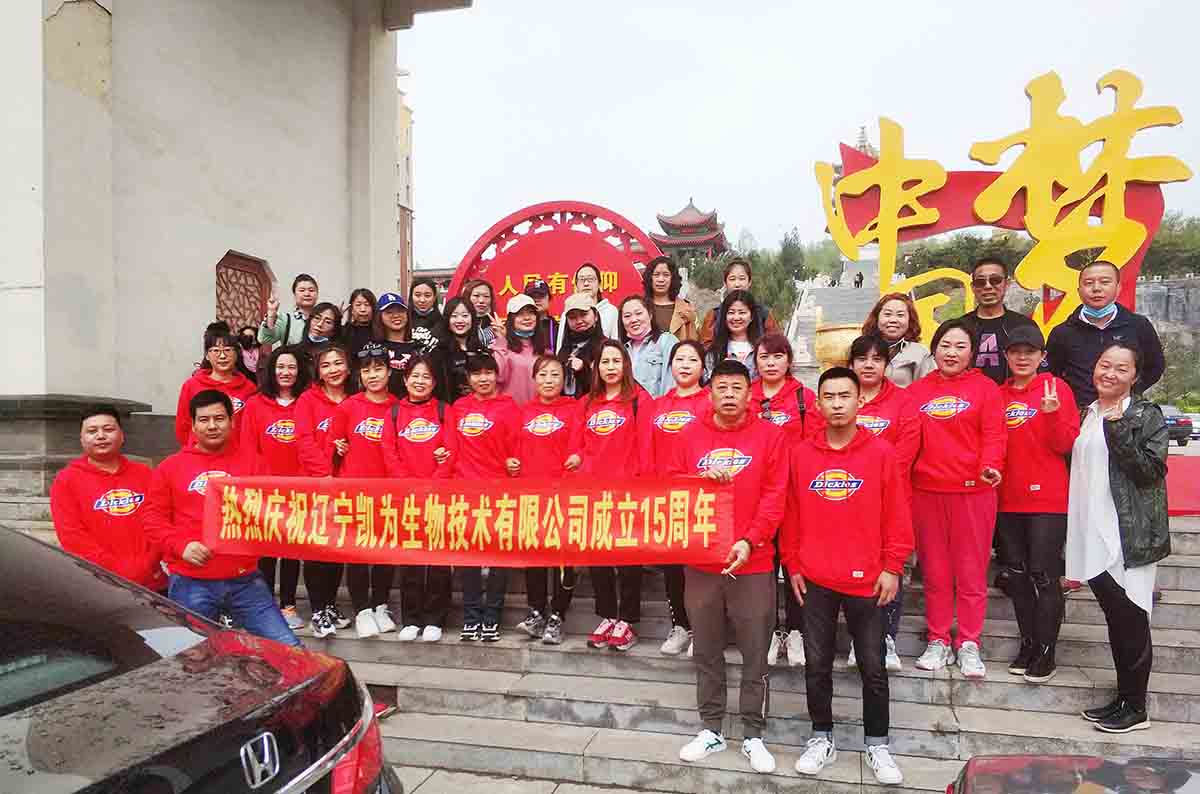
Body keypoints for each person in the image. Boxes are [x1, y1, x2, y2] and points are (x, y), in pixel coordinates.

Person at [783, 367, 912, 785]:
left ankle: (878, 744)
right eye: (829, 397)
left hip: (868, 580)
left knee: (873, 667)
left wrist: (893, 566)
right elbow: (790, 514)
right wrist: (793, 563)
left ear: (860, 401)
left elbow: (897, 514)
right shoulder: (801, 454)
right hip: (816, 578)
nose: (837, 404)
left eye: (844, 396)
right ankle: (821, 737)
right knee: (816, 665)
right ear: (818, 403)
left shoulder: (881, 453)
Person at [672, 359, 786, 776]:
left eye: (737, 387)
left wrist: (750, 539)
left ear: (749, 393)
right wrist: (698, 479)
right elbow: (670, 487)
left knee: (755, 651)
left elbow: (775, 496)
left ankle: (753, 733)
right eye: (721, 387)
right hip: (702, 563)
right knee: (706, 648)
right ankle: (711, 728)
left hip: (752, 562)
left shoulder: (771, 437)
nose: (729, 395)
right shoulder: (689, 436)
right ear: (710, 393)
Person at [1067, 342, 1169, 733]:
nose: (1109, 373)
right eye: (1104, 365)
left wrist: (1119, 429)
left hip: (1127, 535)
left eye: (1121, 368)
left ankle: (1136, 707)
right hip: (1093, 532)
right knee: (1116, 618)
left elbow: (1150, 471)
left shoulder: (1144, 414)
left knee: (1132, 617)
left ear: (1135, 376)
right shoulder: (1089, 413)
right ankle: (1124, 698)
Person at [145, 389, 300, 646]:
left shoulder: (255, 464)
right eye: (204, 420)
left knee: (290, 650)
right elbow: (153, 519)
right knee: (194, 658)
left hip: (245, 580)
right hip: (191, 581)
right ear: (193, 425)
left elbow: (273, 510)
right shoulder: (170, 468)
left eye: (219, 418)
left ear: (232, 421)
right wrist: (180, 545)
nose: (212, 426)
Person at [900, 319, 1006, 677]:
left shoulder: (986, 389)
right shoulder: (917, 392)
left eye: (960, 346)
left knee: (972, 572)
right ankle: (939, 639)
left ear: (972, 352)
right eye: (945, 345)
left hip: (974, 493)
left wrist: (991, 466)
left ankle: (969, 642)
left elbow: (994, 435)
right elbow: (908, 442)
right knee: (935, 573)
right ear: (934, 350)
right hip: (927, 492)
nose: (952, 353)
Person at [997, 326, 1078, 683]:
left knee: (1044, 575)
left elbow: (1066, 444)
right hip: (1006, 499)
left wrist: (1051, 413)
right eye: (1015, 351)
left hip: (1047, 498)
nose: (1022, 357)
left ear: (1042, 356)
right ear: (1006, 355)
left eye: (1030, 351)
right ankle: (1029, 643)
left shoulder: (1056, 388)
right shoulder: (997, 395)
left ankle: (1047, 651)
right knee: (1016, 577)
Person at [572, 340, 651, 652]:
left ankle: (627, 620)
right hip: (594, 494)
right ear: (596, 367)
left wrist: (643, 486)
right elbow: (577, 446)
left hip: (628, 492)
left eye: (616, 361)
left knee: (628, 558)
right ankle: (607, 615)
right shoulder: (586, 403)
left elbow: (646, 446)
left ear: (626, 365)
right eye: (604, 362)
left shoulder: (639, 400)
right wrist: (576, 462)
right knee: (599, 558)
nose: (610, 367)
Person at [442, 353, 521, 642]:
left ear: (497, 376)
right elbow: (451, 447)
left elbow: (517, 447)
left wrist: (514, 464)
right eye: (476, 374)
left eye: (488, 372)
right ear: (468, 378)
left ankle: (492, 617)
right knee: (469, 558)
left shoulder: (509, 407)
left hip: (499, 492)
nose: (483, 378)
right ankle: (471, 616)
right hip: (465, 491)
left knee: (498, 557)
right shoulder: (458, 408)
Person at [750, 332, 817, 668]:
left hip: (794, 496)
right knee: (763, 567)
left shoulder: (804, 397)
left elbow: (816, 443)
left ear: (789, 360)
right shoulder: (746, 396)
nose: (771, 363)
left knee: (794, 564)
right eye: (764, 357)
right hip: (756, 497)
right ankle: (766, 632)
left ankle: (795, 631)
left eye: (778, 356)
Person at [847, 334, 912, 672]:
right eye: (862, 359)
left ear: (887, 365)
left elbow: (907, 449)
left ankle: (886, 637)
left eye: (876, 359)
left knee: (888, 566)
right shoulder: (841, 397)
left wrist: (872, 482)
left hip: (889, 499)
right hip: (844, 501)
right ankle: (856, 640)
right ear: (851, 364)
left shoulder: (903, 401)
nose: (869, 365)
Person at [50, 406, 166, 592]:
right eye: (92, 431)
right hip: (98, 585)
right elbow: (72, 537)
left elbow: (161, 522)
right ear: (81, 439)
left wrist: (146, 565)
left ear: (122, 435)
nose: (101, 436)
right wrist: (120, 571)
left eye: (108, 429)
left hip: (152, 582)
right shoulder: (66, 481)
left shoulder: (145, 474)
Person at [329, 342, 400, 638]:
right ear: (359, 374)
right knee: (357, 552)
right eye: (367, 370)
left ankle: (380, 605)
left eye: (378, 369)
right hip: (353, 490)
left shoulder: (398, 406)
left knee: (385, 552)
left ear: (389, 371)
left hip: (389, 492)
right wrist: (336, 448)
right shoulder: (348, 406)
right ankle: (361, 610)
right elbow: (332, 448)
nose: (373, 375)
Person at [381, 355, 453, 643]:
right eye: (415, 376)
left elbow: (451, 450)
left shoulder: (444, 410)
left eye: (426, 377)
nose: (420, 381)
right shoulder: (394, 412)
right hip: (407, 496)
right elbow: (389, 452)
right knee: (410, 559)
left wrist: (434, 484)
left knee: (438, 560)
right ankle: (411, 618)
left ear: (434, 382)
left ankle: (435, 619)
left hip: (438, 495)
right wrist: (409, 485)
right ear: (405, 379)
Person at [238, 346, 310, 630]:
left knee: (291, 551)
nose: (286, 372)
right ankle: (266, 605)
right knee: (266, 551)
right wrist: (261, 483)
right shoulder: (255, 404)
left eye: (291, 367)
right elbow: (248, 448)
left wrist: (301, 482)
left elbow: (311, 446)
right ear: (271, 370)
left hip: (298, 491)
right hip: (264, 490)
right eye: (281, 367)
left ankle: (289, 605)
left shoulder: (307, 402)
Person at [511, 355, 581, 645]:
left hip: (564, 495)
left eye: (555, 375)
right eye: (543, 375)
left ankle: (558, 615)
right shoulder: (524, 411)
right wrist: (512, 463)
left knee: (564, 559)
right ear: (534, 379)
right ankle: (536, 612)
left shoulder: (574, 409)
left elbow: (579, 448)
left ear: (564, 380)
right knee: (535, 556)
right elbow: (515, 448)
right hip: (531, 496)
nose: (549, 380)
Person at [647, 340, 709, 656]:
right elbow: (647, 450)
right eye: (679, 359)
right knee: (673, 569)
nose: (685, 365)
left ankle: (705, 629)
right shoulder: (658, 405)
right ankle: (681, 626)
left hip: (701, 500)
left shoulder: (710, 402)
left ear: (703, 366)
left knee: (699, 570)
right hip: (666, 499)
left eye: (692, 359)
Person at [1047, 261, 1165, 410]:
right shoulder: (1062, 333)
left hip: (1123, 414)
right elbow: (1051, 374)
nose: (1096, 288)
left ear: (1118, 288)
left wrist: (1128, 395)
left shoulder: (1138, 326)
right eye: (1089, 283)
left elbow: (1155, 367)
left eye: (1105, 282)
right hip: (1078, 414)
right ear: (1079, 290)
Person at [294, 342, 354, 636]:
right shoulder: (308, 400)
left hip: (346, 486)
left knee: (337, 546)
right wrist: (325, 474)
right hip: (316, 485)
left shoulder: (355, 400)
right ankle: (317, 610)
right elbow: (304, 441)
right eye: (326, 365)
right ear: (318, 372)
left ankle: (330, 605)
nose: (333, 370)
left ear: (348, 367)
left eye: (338, 363)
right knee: (316, 547)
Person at [957, 257, 1040, 385]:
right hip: (968, 396)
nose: (988, 286)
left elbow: (1037, 370)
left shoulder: (1024, 325)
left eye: (995, 280)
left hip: (1014, 396)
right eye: (980, 282)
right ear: (973, 287)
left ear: (1007, 284)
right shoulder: (960, 327)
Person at [174, 324, 258, 449]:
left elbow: (253, 428)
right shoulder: (192, 385)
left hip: (237, 455)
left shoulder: (249, 388)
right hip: (201, 454)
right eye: (216, 351)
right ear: (207, 355)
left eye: (228, 350)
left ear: (236, 354)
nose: (222, 356)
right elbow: (183, 425)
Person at [698, 258, 780, 345]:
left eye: (742, 279)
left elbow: (776, 345)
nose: (737, 284)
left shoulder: (763, 315)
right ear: (725, 283)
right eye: (732, 279)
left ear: (749, 282)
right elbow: (705, 347)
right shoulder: (714, 315)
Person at [861, 293, 935, 387]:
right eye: (887, 314)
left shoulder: (920, 353)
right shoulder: (861, 348)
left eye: (900, 315)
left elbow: (929, 388)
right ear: (877, 318)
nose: (893, 320)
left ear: (910, 320)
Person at [490, 293, 550, 404]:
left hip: (538, 412)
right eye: (520, 314)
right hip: (510, 411)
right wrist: (501, 340)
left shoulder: (544, 351)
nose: (527, 318)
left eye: (531, 313)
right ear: (511, 319)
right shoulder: (501, 346)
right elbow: (498, 377)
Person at [619, 294, 679, 398]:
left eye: (638, 313)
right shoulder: (622, 350)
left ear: (650, 315)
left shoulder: (666, 341)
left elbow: (672, 383)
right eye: (627, 316)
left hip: (659, 406)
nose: (633, 320)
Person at [433, 296, 485, 403]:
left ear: (472, 318)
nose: (460, 320)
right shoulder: (439, 352)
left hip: (479, 409)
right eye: (454, 316)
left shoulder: (481, 351)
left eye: (465, 316)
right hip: (449, 408)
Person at [704, 290, 765, 380]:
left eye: (742, 312)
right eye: (731, 312)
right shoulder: (714, 352)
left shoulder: (762, 349)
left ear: (751, 316)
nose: (736, 318)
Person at [374, 291, 422, 397]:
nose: (396, 315)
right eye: (389, 312)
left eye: (400, 311)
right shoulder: (375, 348)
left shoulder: (420, 348)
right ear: (379, 316)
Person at [557, 293, 605, 399]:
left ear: (596, 316)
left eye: (583, 314)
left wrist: (584, 369)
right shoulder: (564, 350)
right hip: (566, 406)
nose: (579, 321)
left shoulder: (606, 347)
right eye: (572, 317)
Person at [643, 255, 698, 341]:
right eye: (656, 275)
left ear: (673, 279)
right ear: (650, 278)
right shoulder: (641, 307)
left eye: (666, 275)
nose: (661, 279)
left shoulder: (687, 309)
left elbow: (695, 341)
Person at [260, 273, 319, 348]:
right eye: (302, 290)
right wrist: (271, 313)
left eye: (311, 290)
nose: (307, 294)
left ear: (317, 294)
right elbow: (265, 340)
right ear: (294, 294)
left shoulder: (324, 319)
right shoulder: (285, 319)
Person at [571, 263, 619, 339]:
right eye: (582, 280)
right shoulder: (569, 313)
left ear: (599, 284)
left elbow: (615, 340)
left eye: (590, 279)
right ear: (576, 286)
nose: (586, 283)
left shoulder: (611, 311)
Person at [299, 301, 342, 373]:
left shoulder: (336, 355)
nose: (319, 324)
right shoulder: (295, 351)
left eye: (328, 322)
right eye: (317, 318)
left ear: (334, 330)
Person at [408, 277, 443, 354]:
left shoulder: (443, 322)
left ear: (434, 298)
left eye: (427, 295)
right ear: (411, 296)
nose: (422, 300)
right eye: (417, 295)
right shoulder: (404, 320)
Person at [341, 287, 378, 360]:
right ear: (351, 309)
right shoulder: (344, 332)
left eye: (367, 305)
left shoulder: (382, 330)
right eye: (358, 305)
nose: (363, 309)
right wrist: (336, 319)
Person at [524, 279, 560, 350]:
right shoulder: (518, 327)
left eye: (541, 295)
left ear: (549, 299)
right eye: (532, 296)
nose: (536, 300)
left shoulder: (558, 328)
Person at [462, 278, 499, 348]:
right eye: (476, 296)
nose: (481, 300)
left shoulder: (496, 325)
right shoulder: (459, 324)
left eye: (486, 296)